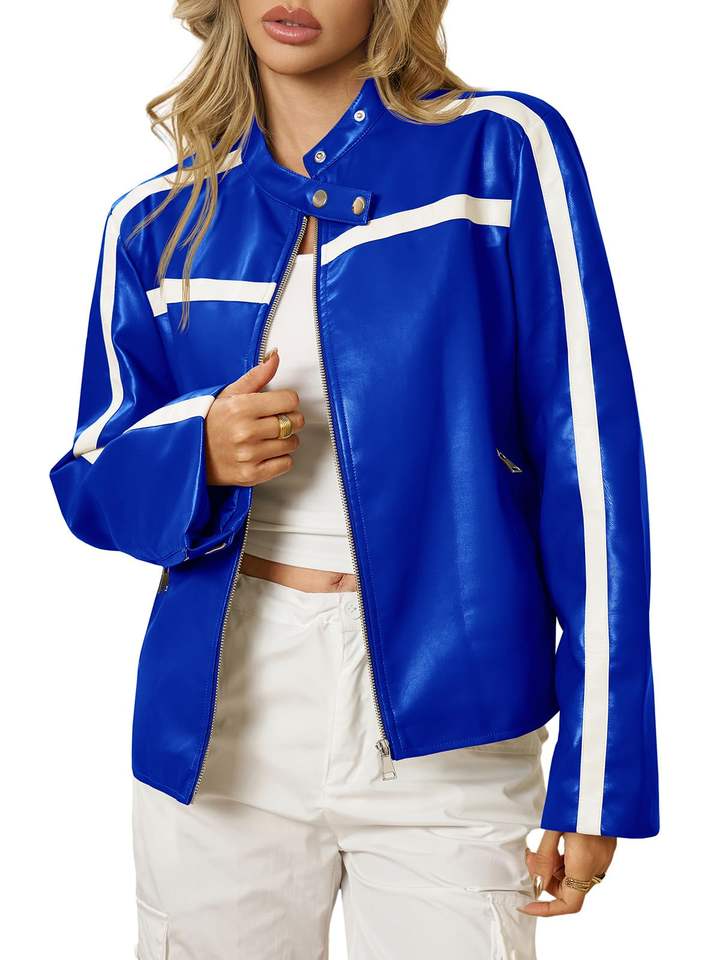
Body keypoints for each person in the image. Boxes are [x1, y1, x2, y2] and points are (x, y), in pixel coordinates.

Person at [48, 1, 659, 956]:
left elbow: (589, 458)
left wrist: (599, 773)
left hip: (451, 709)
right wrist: (196, 449)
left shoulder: (496, 150)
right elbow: (89, 479)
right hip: (220, 720)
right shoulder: (157, 220)